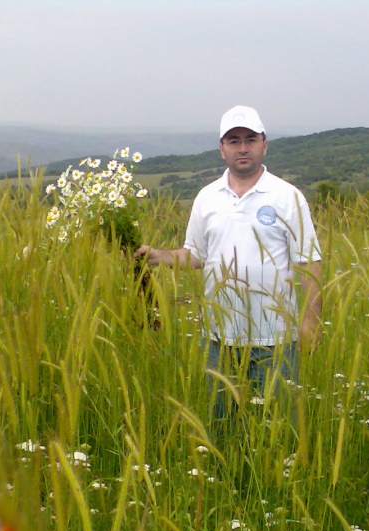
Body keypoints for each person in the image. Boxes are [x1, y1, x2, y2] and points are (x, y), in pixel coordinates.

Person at [137, 105, 322, 427]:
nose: (242, 147)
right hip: (219, 338)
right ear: (222, 148)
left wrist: (310, 323)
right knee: (220, 426)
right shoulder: (207, 197)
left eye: (250, 139)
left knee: (276, 428)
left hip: (276, 338)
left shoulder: (287, 197)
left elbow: (308, 264)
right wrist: (157, 256)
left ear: (264, 144)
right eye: (233, 140)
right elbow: (195, 254)